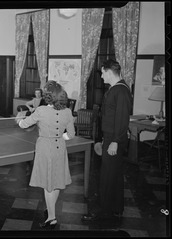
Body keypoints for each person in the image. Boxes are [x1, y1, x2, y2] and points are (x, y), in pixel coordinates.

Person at [16, 80, 75, 229]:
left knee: (48, 184)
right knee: (55, 181)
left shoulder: (41, 110)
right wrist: (61, 137)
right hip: (60, 148)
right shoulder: (67, 112)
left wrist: (18, 119)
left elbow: (24, 124)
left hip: (45, 149)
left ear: (47, 96)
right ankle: (51, 210)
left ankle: (52, 218)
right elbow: (71, 135)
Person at [81, 59, 133, 222]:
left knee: (106, 176)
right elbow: (112, 118)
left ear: (109, 72)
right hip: (111, 137)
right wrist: (106, 138)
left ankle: (101, 211)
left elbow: (122, 119)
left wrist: (115, 141)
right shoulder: (116, 89)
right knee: (115, 174)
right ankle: (116, 207)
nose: (102, 76)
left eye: (103, 73)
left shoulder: (121, 91)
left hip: (115, 138)